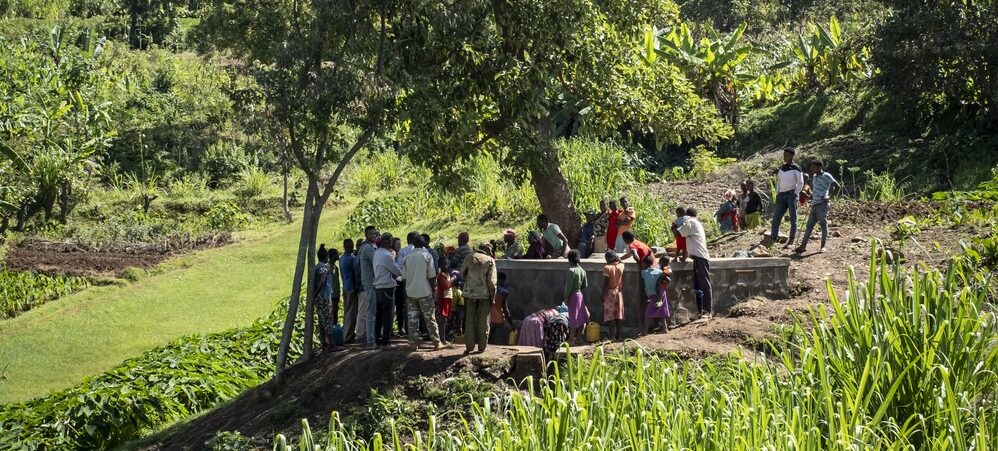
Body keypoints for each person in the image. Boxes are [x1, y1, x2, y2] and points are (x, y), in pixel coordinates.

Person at [402, 235, 444, 350]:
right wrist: (433, 290)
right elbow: (431, 276)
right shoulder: (427, 256)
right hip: (425, 292)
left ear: (413, 244)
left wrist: (406, 291)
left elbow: (404, 278)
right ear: (423, 244)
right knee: (430, 318)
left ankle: (413, 344)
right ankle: (436, 343)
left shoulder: (407, 258)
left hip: (410, 292)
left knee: (412, 320)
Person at [796, 160, 841, 255]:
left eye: (813, 167)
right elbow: (815, 191)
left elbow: (837, 186)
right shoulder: (815, 177)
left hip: (822, 204)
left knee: (823, 224)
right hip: (815, 203)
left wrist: (829, 197)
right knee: (809, 225)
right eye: (811, 167)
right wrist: (808, 196)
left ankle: (823, 246)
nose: (812, 169)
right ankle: (803, 246)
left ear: (819, 167)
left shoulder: (826, 175)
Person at [460, 244, 497, 355]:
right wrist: (493, 297)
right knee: (483, 321)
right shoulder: (490, 260)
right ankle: (481, 347)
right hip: (484, 295)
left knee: (469, 320)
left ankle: (469, 346)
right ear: (488, 251)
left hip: (469, 294)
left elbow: (462, 272)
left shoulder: (469, 257)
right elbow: (492, 281)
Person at [678, 208, 713, 318]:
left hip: (700, 258)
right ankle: (701, 311)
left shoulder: (690, 222)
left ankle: (707, 311)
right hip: (698, 258)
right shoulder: (695, 222)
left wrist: (674, 225)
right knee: (698, 286)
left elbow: (679, 233)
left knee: (704, 285)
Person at [770, 147, 805, 248]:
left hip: (791, 195)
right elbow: (779, 181)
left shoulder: (796, 168)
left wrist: (795, 193)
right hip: (781, 195)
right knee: (776, 217)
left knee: (793, 218)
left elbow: (800, 182)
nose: (784, 157)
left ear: (792, 156)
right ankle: (774, 237)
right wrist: (777, 193)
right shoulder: (781, 168)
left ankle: (791, 240)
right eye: (783, 155)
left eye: (786, 155)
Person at [373, 233, 401, 347]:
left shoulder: (377, 253)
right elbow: (397, 271)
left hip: (378, 287)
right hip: (386, 288)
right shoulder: (386, 255)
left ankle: (377, 339)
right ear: (388, 242)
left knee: (379, 315)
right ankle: (386, 341)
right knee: (387, 315)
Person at [357, 227, 379, 348]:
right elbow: (376, 261)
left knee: (373, 310)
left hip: (372, 281)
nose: (373, 235)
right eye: (370, 234)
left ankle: (373, 337)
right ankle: (370, 340)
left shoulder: (371, 246)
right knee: (371, 311)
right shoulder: (367, 248)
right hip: (370, 282)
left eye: (374, 233)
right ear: (366, 235)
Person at [563, 249, 589, 344]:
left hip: (573, 296)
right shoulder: (582, 270)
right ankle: (579, 338)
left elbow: (568, 286)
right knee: (581, 317)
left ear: (570, 260)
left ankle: (571, 340)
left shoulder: (571, 271)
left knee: (573, 317)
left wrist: (566, 297)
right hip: (580, 295)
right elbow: (585, 285)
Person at [640, 255, 670, 334]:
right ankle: (665, 329)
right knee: (662, 309)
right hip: (662, 292)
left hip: (653, 294)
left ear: (644, 263)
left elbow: (644, 283)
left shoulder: (643, 272)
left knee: (649, 312)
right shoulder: (659, 271)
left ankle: (645, 331)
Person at [601, 250, 625, 341]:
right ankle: (620, 336)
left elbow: (606, 283)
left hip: (610, 293)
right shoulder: (621, 266)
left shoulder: (607, 268)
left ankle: (612, 336)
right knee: (618, 315)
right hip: (619, 292)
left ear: (607, 259)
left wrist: (603, 294)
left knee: (610, 316)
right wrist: (618, 257)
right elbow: (622, 262)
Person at [313, 244, 334, 349]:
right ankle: (331, 344)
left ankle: (324, 343)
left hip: (320, 297)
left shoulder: (316, 267)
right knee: (327, 319)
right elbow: (321, 282)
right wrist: (316, 293)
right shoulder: (323, 268)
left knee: (322, 320)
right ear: (326, 257)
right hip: (324, 296)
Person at [340, 239, 359, 343]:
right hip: (351, 287)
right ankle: (348, 335)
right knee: (351, 312)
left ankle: (347, 333)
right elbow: (354, 273)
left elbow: (342, 275)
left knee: (347, 310)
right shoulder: (351, 259)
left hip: (345, 286)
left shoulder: (342, 258)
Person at [488, 272, 514, 345]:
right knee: (497, 343)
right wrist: (511, 324)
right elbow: (505, 310)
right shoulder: (504, 293)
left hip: (489, 320)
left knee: (486, 342)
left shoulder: (488, 290)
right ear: (501, 280)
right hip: (499, 321)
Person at [436, 258, 456, 343]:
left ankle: (443, 338)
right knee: (443, 319)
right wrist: (453, 279)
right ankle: (442, 339)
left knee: (445, 318)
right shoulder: (442, 275)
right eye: (443, 264)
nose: (445, 266)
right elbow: (446, 286)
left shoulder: (447, 274)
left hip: (447, 297)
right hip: (443, 298)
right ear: (440, 265)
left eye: (447, 264)